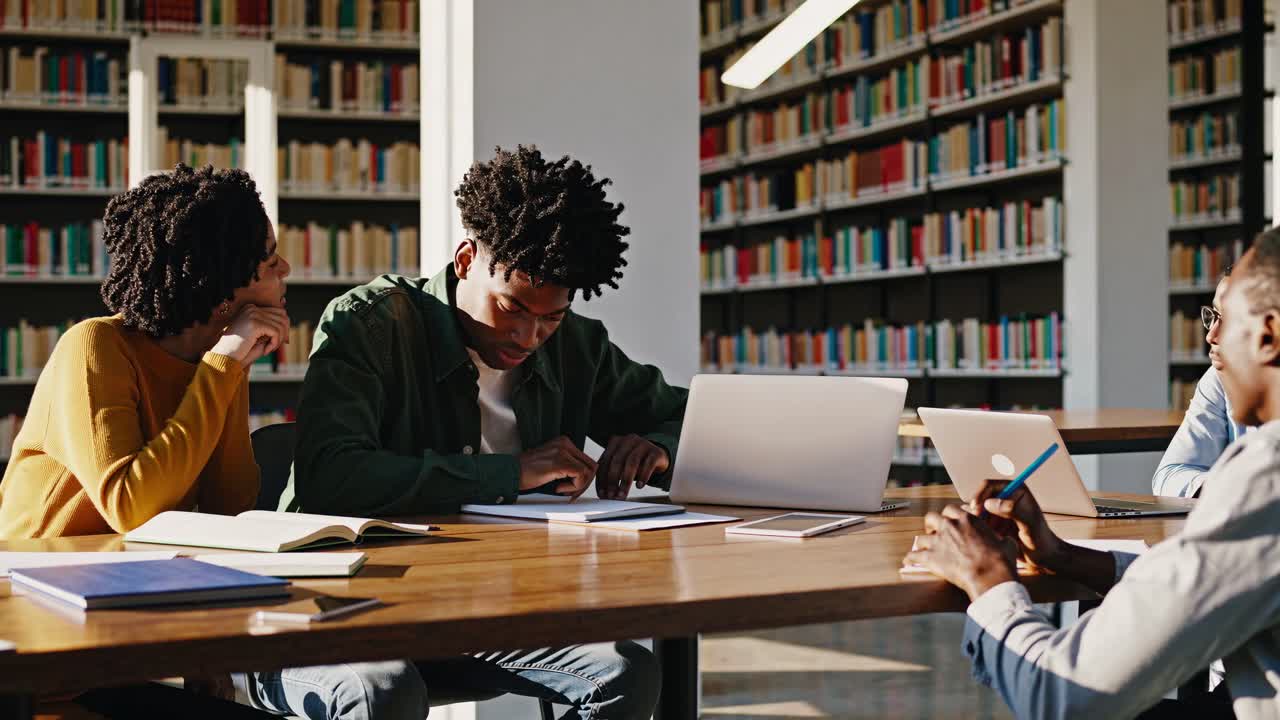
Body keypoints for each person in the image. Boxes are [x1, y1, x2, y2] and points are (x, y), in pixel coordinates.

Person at [0, 165, 427, 720]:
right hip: (50, 641)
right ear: (223, 284)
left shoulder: (217, 364)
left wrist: (228, 368)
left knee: (378, 683)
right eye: (269, 259)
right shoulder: (95, 348)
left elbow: (229, 508)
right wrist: (223, 366)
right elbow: (131, 504)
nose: (286, 269)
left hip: (146, 614)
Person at [285, 145, 683, 718]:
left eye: (551, 316)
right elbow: (332, 476)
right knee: (386, 692)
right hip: (349, 604)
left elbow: (688, 415)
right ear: (467, 259)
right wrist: (510, 474)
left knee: (624, 670)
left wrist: (659, 450)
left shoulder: (577, 345)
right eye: (511, 307)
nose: (528, 336)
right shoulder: (370, 323)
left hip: (477, 606)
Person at [905, 228, 1280, 720]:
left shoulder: (1265, 481)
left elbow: (1063, 696)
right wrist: (1068, 556)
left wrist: (988, 580)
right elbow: (1213, 576)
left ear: (1268, 335)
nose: (1210, 338)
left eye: (1223, 321)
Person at [1153, 268, 1251, 497]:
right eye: (1215, 315)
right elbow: (1169, 474)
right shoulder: (1219, 378)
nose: (1211, 336)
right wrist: (1232, 490)